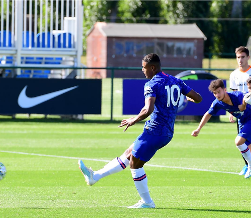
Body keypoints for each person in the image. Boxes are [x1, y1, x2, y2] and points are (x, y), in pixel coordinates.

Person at [78, 53, 202, 208]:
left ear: (152, 67)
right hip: (167, 132)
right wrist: (188, 98)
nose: (142, 70)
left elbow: (148, 109)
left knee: (135, 164)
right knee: (129, 154)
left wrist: (133, 120)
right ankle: (95, 176)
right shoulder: (176, 80)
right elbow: (198, 98)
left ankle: (147, 202)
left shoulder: (152, 84)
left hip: (155, 130)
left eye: (144, 67)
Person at [191, 79, 251, 178]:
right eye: (215, 93)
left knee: (238, 142)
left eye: (219, 92)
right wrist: (198, 129)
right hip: (242, 121)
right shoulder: (217, 103)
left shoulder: (237, 95)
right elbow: (208, 114)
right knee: (250, 150)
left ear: (225, 90)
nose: (217, 95)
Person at [229, 46, 251, 176]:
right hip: (242, 112)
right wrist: (232, 112)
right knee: (243, 139)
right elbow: (234, 95)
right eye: (238, 57)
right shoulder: (234, 75)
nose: (240, 60)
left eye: (243, 57)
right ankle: (247, 165)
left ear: (248, 57)